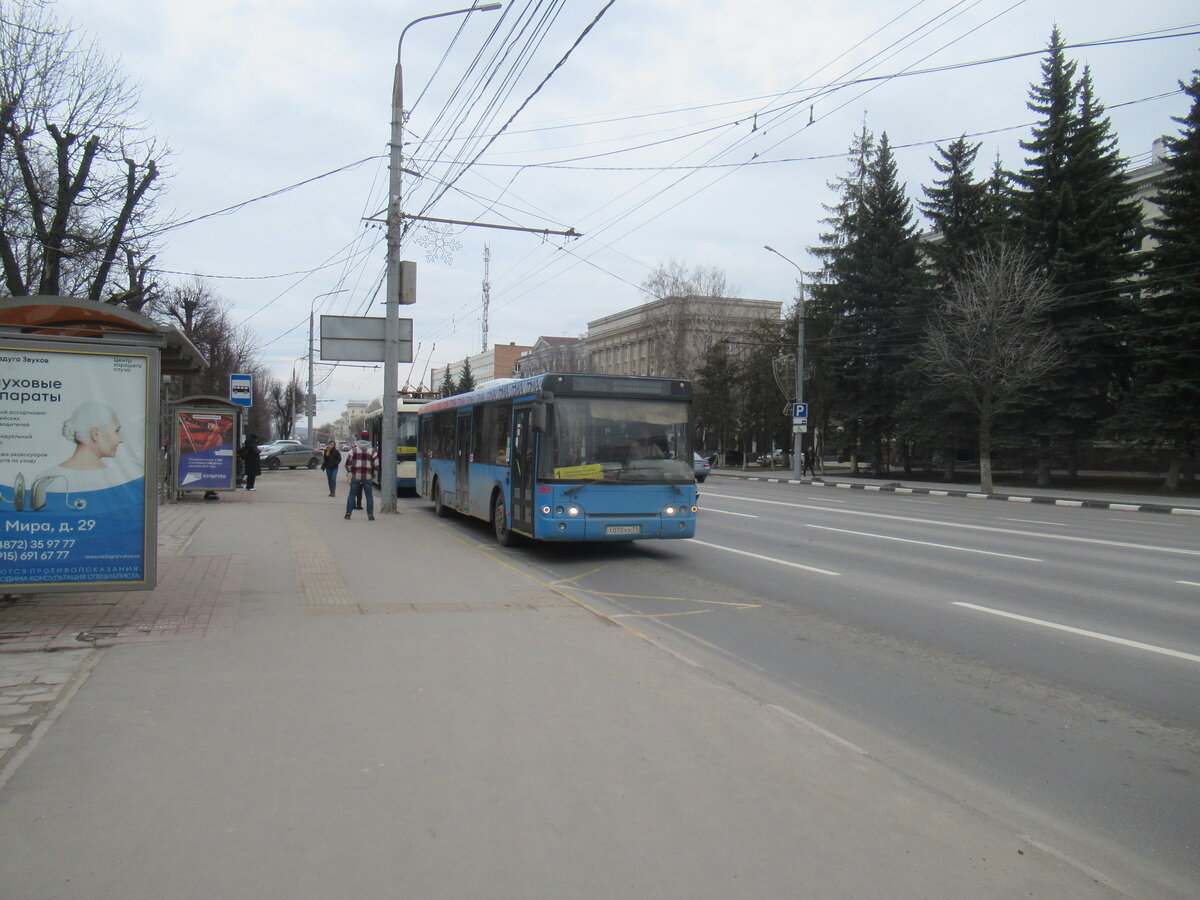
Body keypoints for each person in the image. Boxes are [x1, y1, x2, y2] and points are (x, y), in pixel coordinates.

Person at [344, 430, 379, 521]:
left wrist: (350, 471)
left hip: (356, 475)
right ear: (368, 438)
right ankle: (370, 515)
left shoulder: (354, 448)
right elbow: (376, 465)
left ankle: (348, 513)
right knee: (369, 496)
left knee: (352, 494)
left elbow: (347, 462)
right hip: (368, 476)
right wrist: (373, 474)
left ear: (360, 437)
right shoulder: (373, 450)